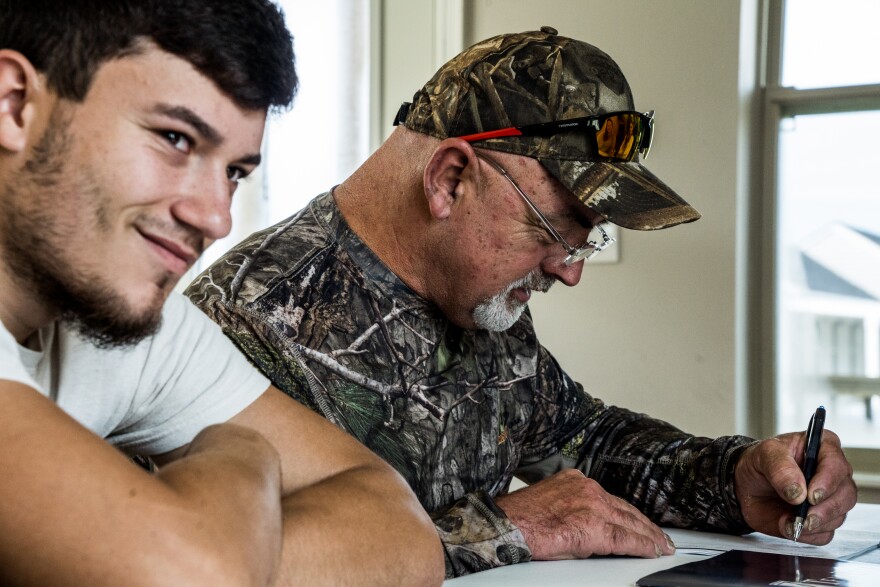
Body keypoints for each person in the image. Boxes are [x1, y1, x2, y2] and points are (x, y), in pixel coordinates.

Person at [185, 27, 857, 578]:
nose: (569, 272)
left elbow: (587, 442)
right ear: (450, 179)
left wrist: (737, 475)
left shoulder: (481, 304)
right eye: (551, 230)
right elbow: (211, 563)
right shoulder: (243, 322)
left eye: (584, 241)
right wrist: (504, 528)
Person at [0, 1, 444, 585]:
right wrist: (240, 450)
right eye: (176, 139)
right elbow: (196, 573)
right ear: (14, 105)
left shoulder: (127, 323)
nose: (216, 218)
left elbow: (401, 531)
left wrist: (192, 550)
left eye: (235, 172)